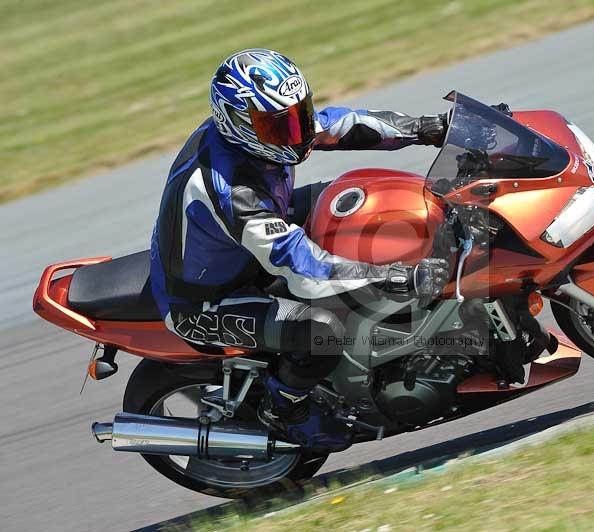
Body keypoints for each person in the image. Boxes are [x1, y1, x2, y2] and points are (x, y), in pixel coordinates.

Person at [150, 48, 450, 450]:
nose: (297, 133)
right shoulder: (232, 190)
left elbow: (340, 125)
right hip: (204, 302)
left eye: (299, 115)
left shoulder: (263, 129)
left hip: (240, 249)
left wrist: (429, 127)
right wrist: (391, 275)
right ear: (237, 123)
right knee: (321, 330)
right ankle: (284, 409)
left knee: (355, 198)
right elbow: (304, 271)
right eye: (281, 126)